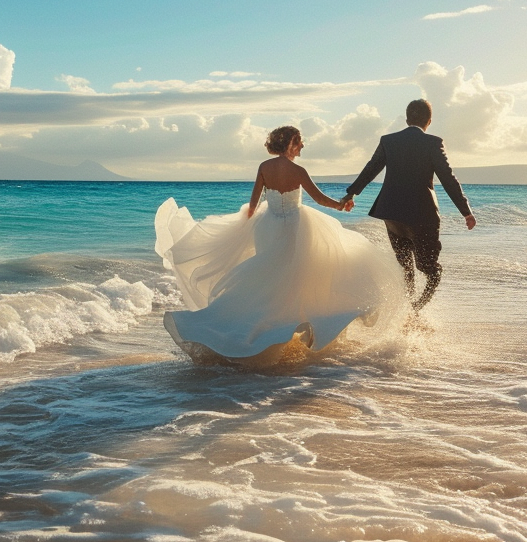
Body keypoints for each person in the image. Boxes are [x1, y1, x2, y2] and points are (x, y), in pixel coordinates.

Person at [154, 125, 405, 364]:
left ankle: (265, 328)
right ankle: (290, 329)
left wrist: (242, 228)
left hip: (268, 227)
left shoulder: (264, 167)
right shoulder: (298, 171)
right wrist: (342, 204)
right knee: (297, 277)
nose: (302, 145)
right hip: (296, 227)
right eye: (299, 141)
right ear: (289, 143)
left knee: (271, 277)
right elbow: (319, 199)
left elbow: (253, 205)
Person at [342, 99, 475, 310]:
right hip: (422, 215)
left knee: (405, 266)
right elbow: (448, 178)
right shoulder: (433, 142)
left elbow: (371, 169)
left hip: (391, 213)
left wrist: (350, 194)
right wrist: (466, 211)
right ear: (429, 121)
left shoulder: (388, 141)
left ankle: (407, 312)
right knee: (430, 269)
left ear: (406, 119)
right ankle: (415, 308)